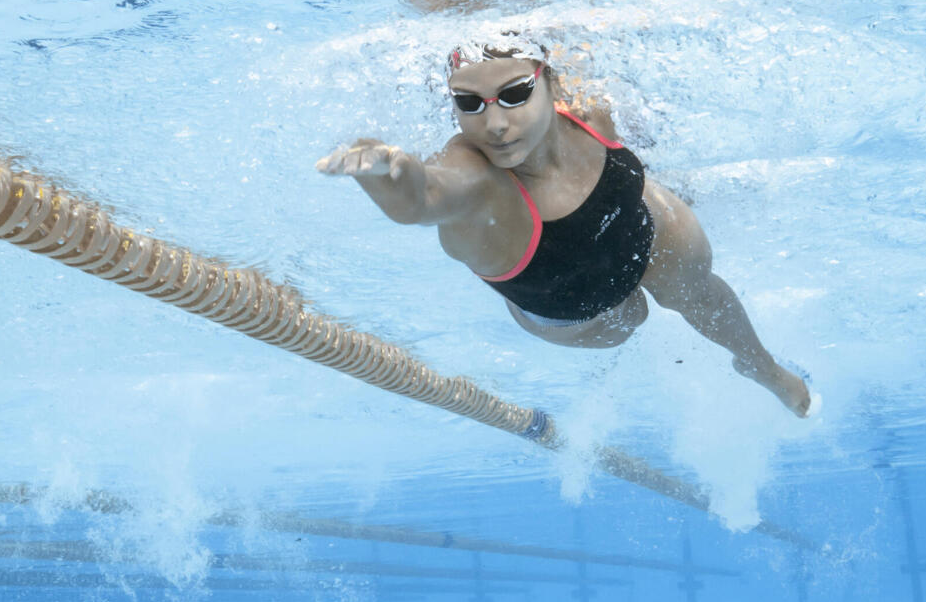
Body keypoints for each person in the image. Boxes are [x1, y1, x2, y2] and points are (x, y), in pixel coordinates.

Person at [318, 39, 815, 415]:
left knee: (695, 286)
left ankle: (761, 366)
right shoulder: (475, 176)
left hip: (641, 230)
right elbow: (421, 199)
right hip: (575, 308)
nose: (494, 125)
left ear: (550, 82)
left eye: (514, 95)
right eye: (469, 104)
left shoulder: (587, 106)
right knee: (630, 319)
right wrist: (386, 168)